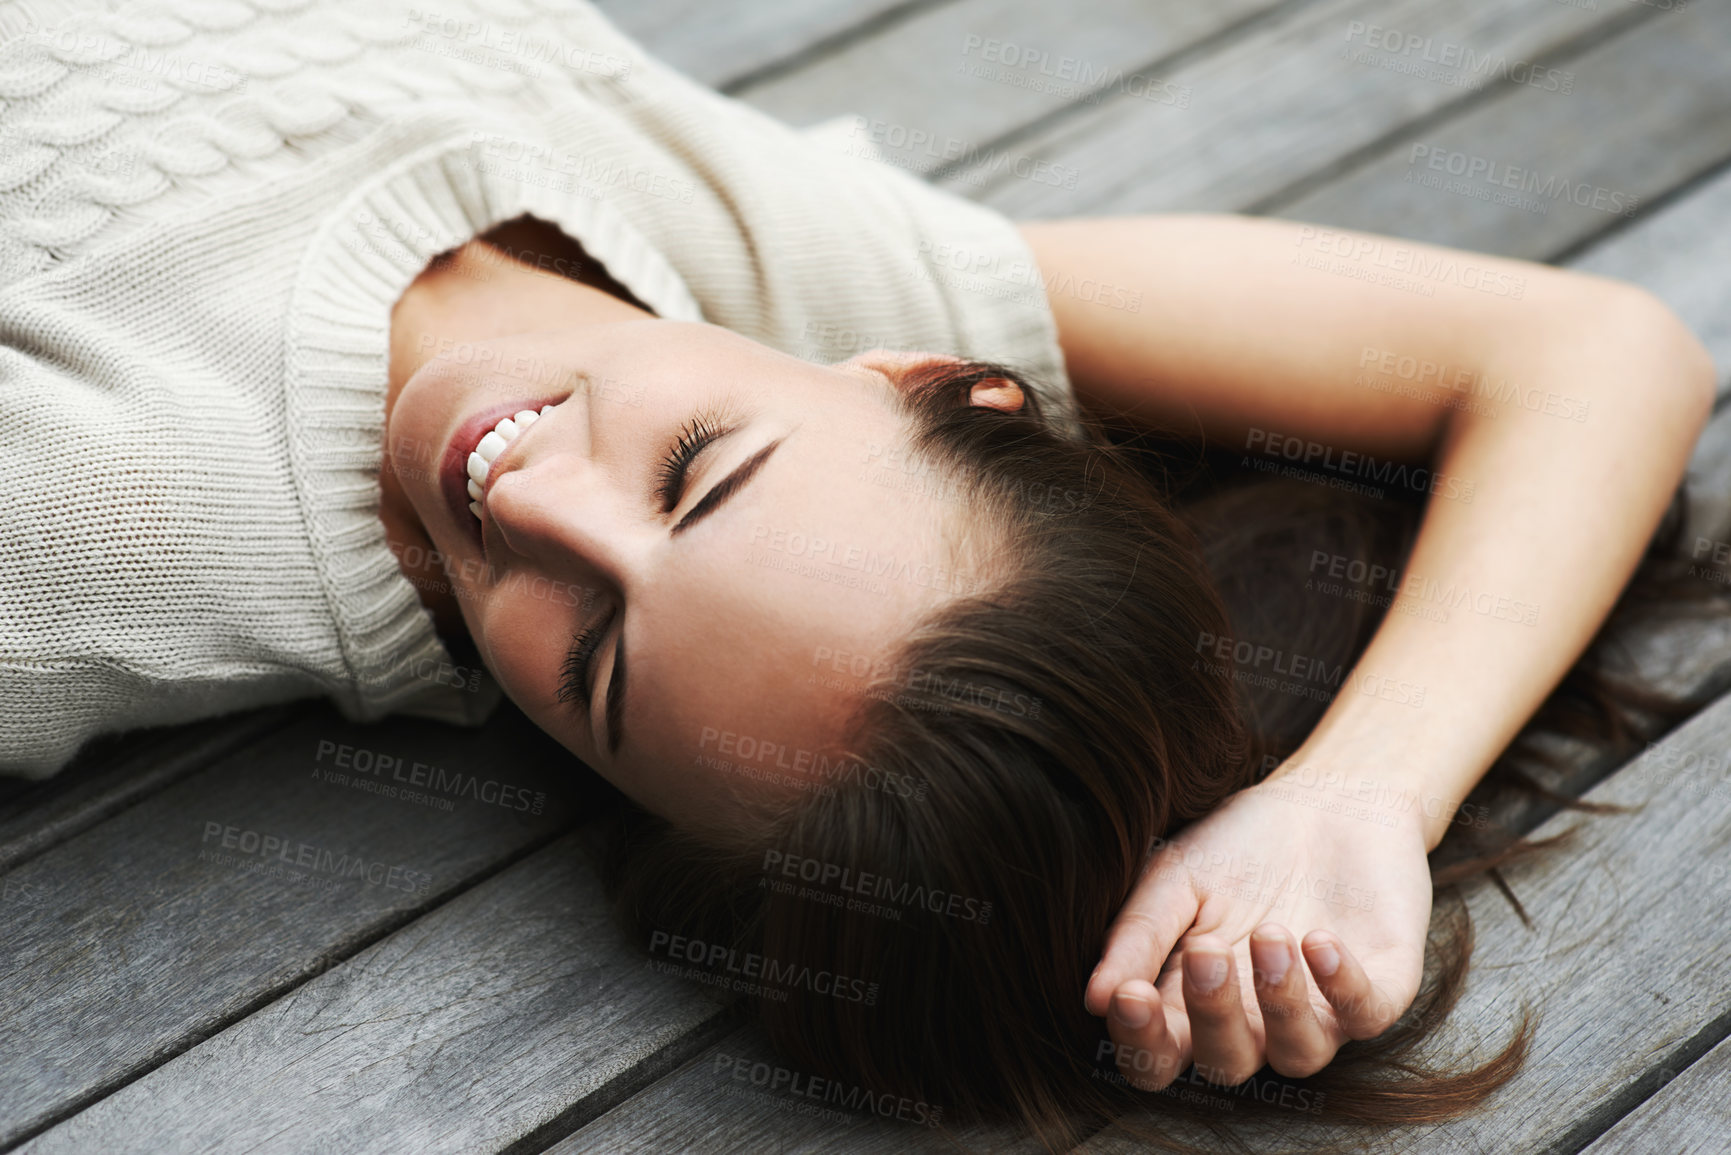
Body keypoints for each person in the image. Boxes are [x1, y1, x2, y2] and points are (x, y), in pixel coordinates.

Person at [0, 0, 1714, 1145]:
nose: (535, 503)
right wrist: (1358, 799)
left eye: (594, 663)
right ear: (929, 378)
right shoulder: (824, 275)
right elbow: (1597, 353)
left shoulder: (94, 532)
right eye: (697, 470)